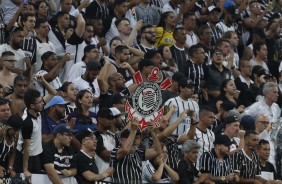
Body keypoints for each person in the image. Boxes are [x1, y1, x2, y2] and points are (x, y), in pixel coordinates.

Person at [110, 119, 162, 183]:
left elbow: (158, 151)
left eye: (137, 137)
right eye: (131, 137)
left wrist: (153, 133)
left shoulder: (139, 152)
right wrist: (133, 130)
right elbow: (125, 150)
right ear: (122, 140)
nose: (134, 140)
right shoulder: (115, 151)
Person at [0, 115, 23, 183]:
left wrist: (10, 167)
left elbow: (12, 153)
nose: (16, 133)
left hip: (3, 164)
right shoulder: (1, 133)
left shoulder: (15, 135)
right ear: (8, 127)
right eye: (15, 130)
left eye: (18, 130)